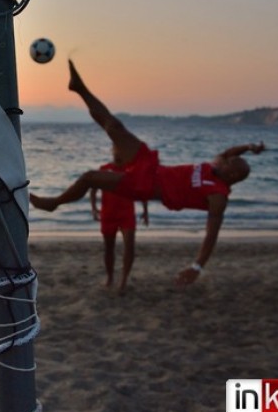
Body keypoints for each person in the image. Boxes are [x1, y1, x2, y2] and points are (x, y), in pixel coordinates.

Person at [29, 61, 265, 286]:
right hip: (152, 167)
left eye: (230, 163)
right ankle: (79, 89)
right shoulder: (215, 168)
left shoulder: (218, 195)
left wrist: (197, 267)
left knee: (90, 177)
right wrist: (250, 147)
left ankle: (54, 203)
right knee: (114, 127)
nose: (224, 159)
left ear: (232, 175)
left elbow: (211, 235)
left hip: (146, 186)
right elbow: (227, 152)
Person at [90, 148, 149, 293]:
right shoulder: (105, 169)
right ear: (113, 152)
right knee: (109, 248)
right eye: (116, 151)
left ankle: (123, 280)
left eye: (121, 151)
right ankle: (110, 277)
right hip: (108, 214)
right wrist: (94, 208)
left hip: (127, 214)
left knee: (130, 246)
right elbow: (93, 189)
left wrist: (145, 211)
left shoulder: (131, 170)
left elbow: (142, 190)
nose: (119, 154)